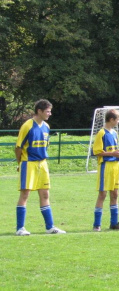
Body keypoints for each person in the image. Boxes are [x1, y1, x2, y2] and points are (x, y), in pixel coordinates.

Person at [14, 99, 66, 236]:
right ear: (39, 111)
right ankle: (20, 228)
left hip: (42, 164)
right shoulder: (27, 126)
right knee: (25, 194)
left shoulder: (46, 127)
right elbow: (18, 148)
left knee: (45, 194)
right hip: (29, 163)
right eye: (48, 111)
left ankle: (50, 227)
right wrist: (20, 163)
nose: (50, 114)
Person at [92, 109, 119, 231]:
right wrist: (113, 153)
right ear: (111, 119)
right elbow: (97, 152)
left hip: (115, 167)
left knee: (115, 193)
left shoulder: (114, 133)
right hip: (106, 167)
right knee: (102, 194)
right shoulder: (101, 133)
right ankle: (97, 225)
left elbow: (113, 150)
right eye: (118, 119)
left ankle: (114, 223)